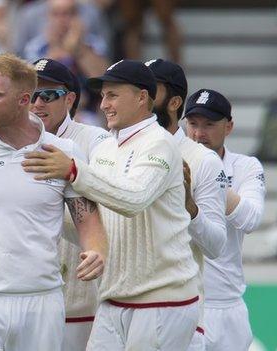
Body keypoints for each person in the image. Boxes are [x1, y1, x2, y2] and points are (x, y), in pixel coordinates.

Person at [23, 60, 201, 350]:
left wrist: (73, 170)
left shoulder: (160, 144)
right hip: (112, 297)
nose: (104, 104)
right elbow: (96, 219)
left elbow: (133, 199)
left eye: (113, 95)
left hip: (162, 299)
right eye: (103, 96)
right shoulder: (106, 148)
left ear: (142, 97)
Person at [0, 53, 106, 351]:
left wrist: (96, 250)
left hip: (42, 302)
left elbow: (87, 218)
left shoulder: (63, 153)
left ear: (23, 100)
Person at [146, 59, 228, 350]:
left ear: (174, 102)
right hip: (122, 307)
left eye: (148, 89)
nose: (139, 95)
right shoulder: (115, 148)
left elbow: (217, 245)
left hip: (179, 315)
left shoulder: (202, 159)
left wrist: (189, 207)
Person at [30, 57, 109, 351]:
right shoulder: (10, 141)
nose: (37, 103)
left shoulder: (97, 141)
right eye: (31, 93)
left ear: (70, 99)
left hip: (83, 303)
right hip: (28, 298)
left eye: (48, 95)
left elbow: (103, 211)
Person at [184, 88, 266, 351]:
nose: (199, 134)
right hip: (183, 300)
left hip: (226, 303)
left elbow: (251, 220)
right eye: (193, 124)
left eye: (209, 124)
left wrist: (212, 178)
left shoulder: (246, 166)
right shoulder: (171, 161)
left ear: (229, 127)